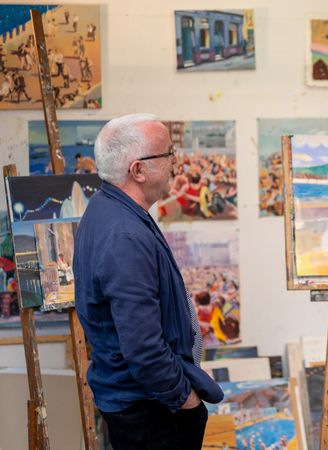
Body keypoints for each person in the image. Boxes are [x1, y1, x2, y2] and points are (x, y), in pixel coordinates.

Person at [74, 114, 223, 450]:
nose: (174, 162)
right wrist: (184, 399)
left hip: (140, 401)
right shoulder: (123, 234)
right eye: (167, 154)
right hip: (150, 409)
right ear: (137, 170)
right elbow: (143, 347)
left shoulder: (109, 208)